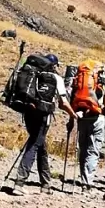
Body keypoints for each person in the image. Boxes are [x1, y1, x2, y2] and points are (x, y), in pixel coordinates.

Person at [10, 53, 76, 196]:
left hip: (29, 111)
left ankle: (45, 184)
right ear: (54, 66)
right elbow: (63, 102)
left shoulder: (34, 74)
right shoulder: (55, 78)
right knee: (34, 144)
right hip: (43, 116)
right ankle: (19, 183)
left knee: (41, 146)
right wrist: (73, 115)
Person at [71, 60, 105, 195]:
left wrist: (71, 119)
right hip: (97, 118)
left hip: (81, 118)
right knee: (93, 150)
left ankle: (83, 180)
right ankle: (87, 183)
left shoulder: (78, 81)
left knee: (83, 149)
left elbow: (72, 99)